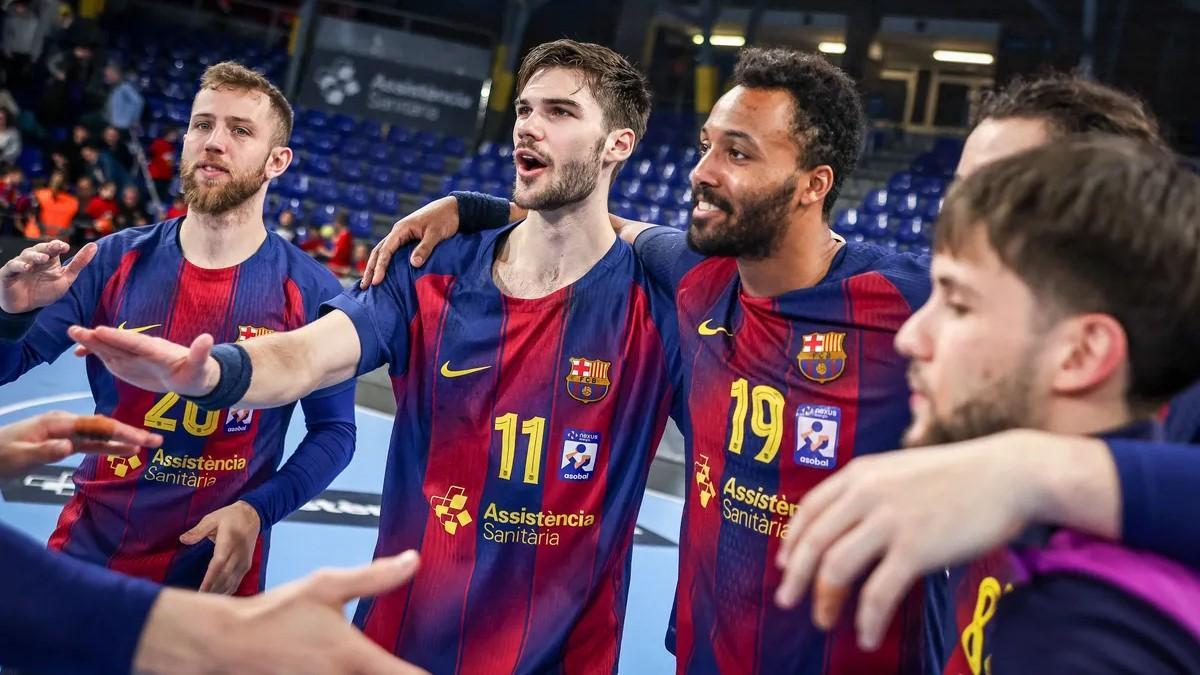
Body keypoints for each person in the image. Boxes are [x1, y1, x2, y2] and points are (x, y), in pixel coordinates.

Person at [302, 47, 949, 674]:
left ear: (814, 183)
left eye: (737, 152)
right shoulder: (693, 275)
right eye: (706, 146)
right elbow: (599, 220)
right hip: (707, 654)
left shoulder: (911, 300)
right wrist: (473, 207)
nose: (701, 171)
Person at [73, 40, 681, 674]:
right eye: (525, 109)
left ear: (618, 144)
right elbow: (309, 355)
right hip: (398, 646)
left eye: (559, 112)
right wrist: (214, 372)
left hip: (565, 658)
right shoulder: (430, 268)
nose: (528, 126)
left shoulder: (661, 307)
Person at [785, 138, 1200, 672]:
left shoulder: (1073, 635)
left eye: (958, 304)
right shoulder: (1087, 535)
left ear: (1081, 353)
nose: (911, 337)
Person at [0, 60, 357, 597]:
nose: (214, 142)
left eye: (240, 130)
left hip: (217, 576)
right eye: (202, 124)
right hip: (89, 556)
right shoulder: (109, 260)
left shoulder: (312, 291)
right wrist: (10, 315)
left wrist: (258, 510)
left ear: (277, 161)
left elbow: (335, 431)